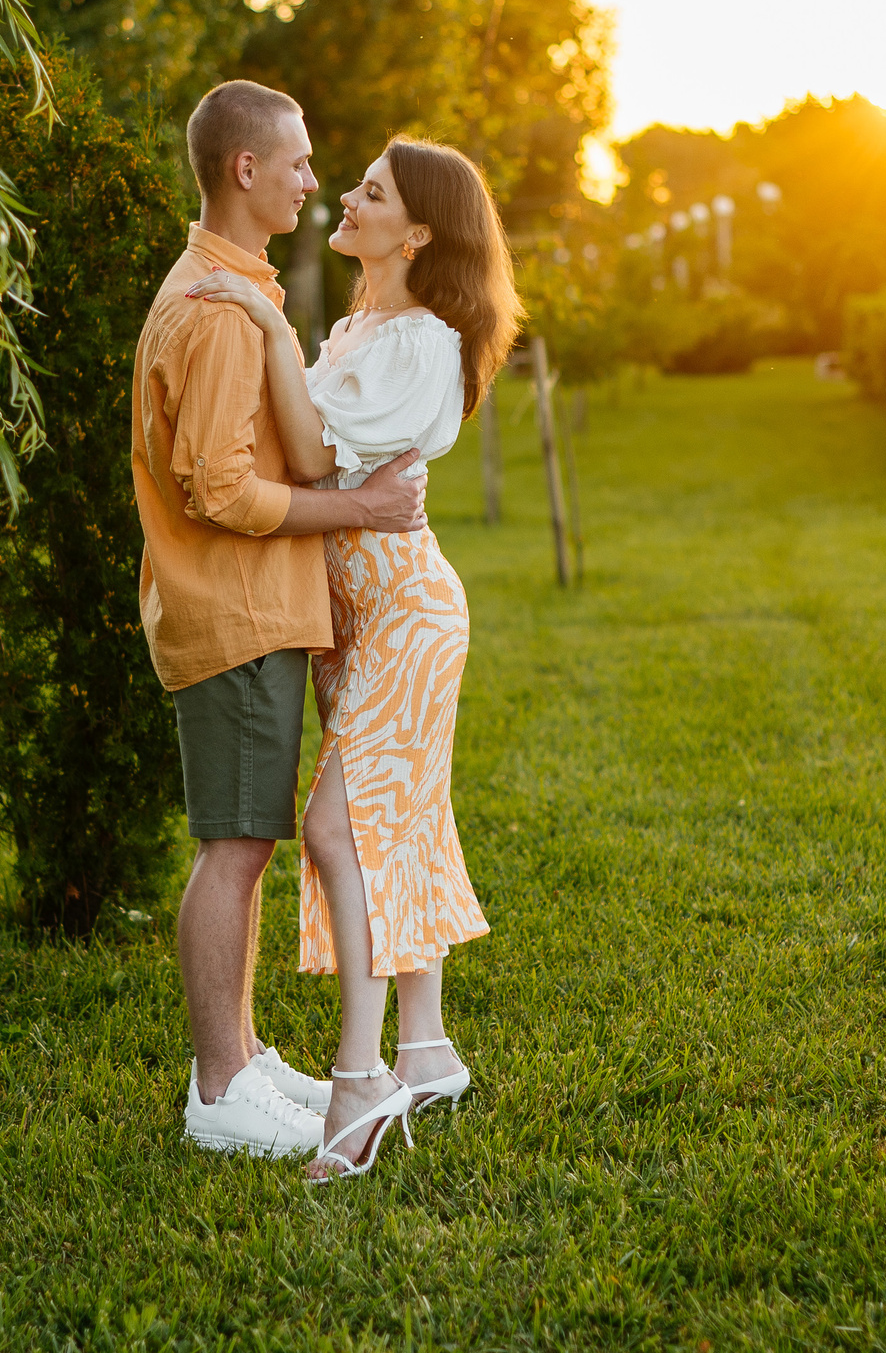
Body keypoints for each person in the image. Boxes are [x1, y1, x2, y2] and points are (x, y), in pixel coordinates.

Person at [187, 136, 520, 1180]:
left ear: (417, 233)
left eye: (372, 192)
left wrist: (262, 323)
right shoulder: (357, 328)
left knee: (340, 827)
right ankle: (427, 1051)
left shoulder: (422, 342)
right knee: (401, 819)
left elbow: (312, 452)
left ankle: (362, 1080)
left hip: (406, 614)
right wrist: (283, 334)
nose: (346, 196)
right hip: (355, 620)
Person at [130, 80, 433, 1160]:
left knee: (246, 841)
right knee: (234, 847)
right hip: (237, 609)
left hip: (254, 608)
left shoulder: (237, 288)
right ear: (244, 168)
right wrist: (358, 510)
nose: (314, 179)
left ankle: (245, 1058)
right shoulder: (218, 310)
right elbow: (220, 488)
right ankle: (219, 1089)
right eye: (298, 161)